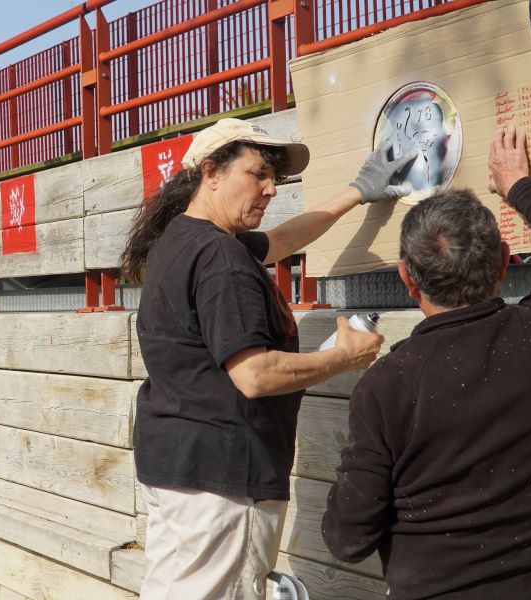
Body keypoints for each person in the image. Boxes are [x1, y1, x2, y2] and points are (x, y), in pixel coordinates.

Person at [121, 117, 417, 599]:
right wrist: (344, 357)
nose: (271, 189)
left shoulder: (182, 238)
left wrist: (359, 191)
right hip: (222, 484)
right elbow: (254, 375)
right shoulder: (221, 259)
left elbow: (281, 242)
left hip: (181, 471)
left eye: (273, 177)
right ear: (211, 172)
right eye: (257, 174)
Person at [322, 125, 531, 599]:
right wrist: (518, 184)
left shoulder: (386, 387)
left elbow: (347, 539)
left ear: (407, 279)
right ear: (504, 261)